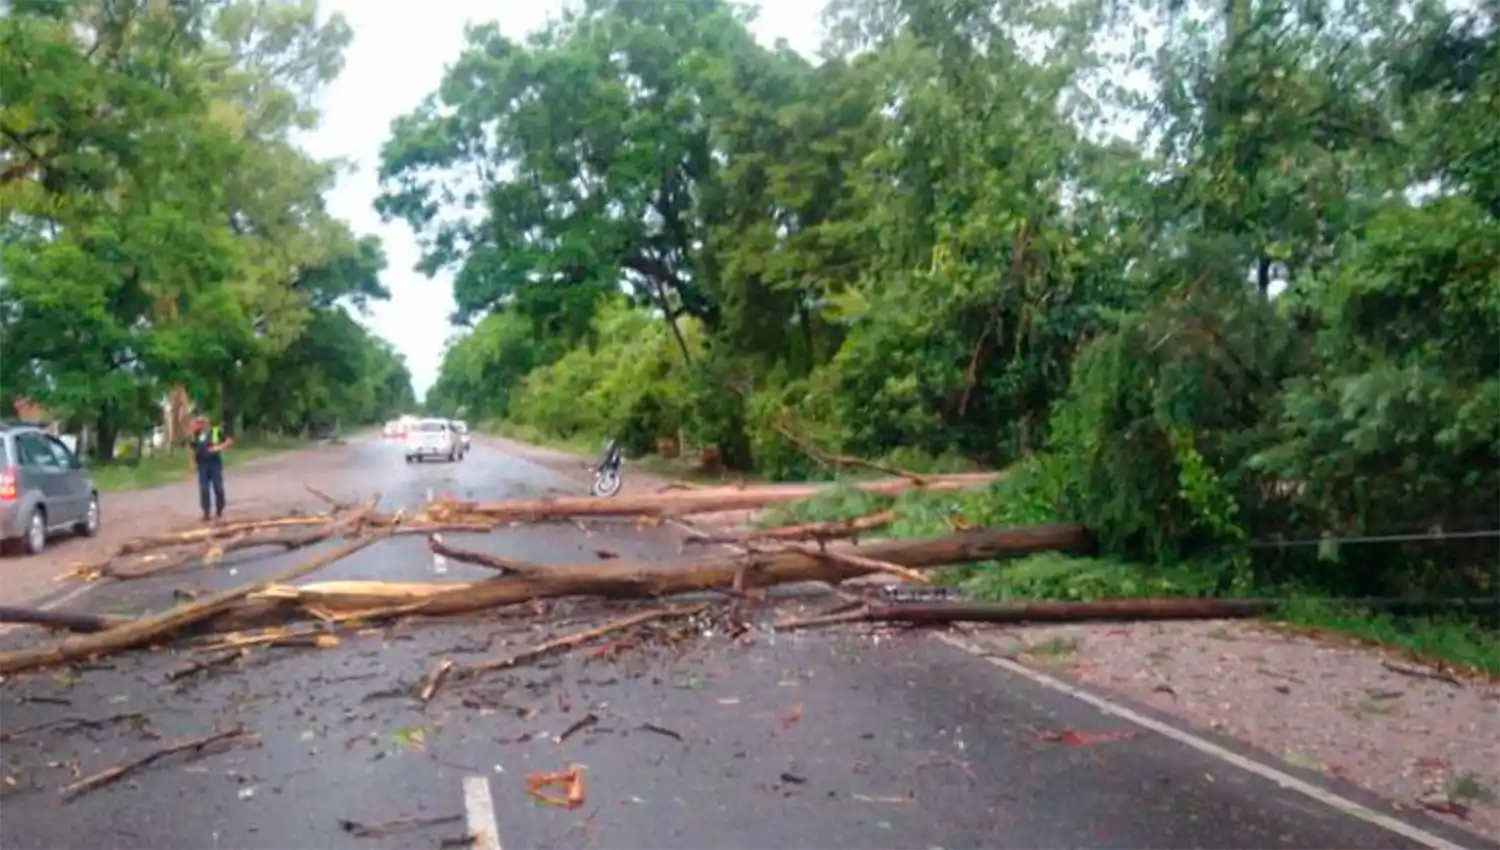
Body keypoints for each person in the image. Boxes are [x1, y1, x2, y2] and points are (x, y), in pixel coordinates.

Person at [189, 415, 234, 521]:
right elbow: (192, 449)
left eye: (201, 422)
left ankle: (219, 509)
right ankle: (206, 513)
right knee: (204, 489)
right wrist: (192, 464)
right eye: (198, 423)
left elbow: (229, 441)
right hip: (202, 465)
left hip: (214, 463)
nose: (199, 424)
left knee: (218, 487)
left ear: (207, 423)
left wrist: (218, 448)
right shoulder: (196, 435)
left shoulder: (214, 432)